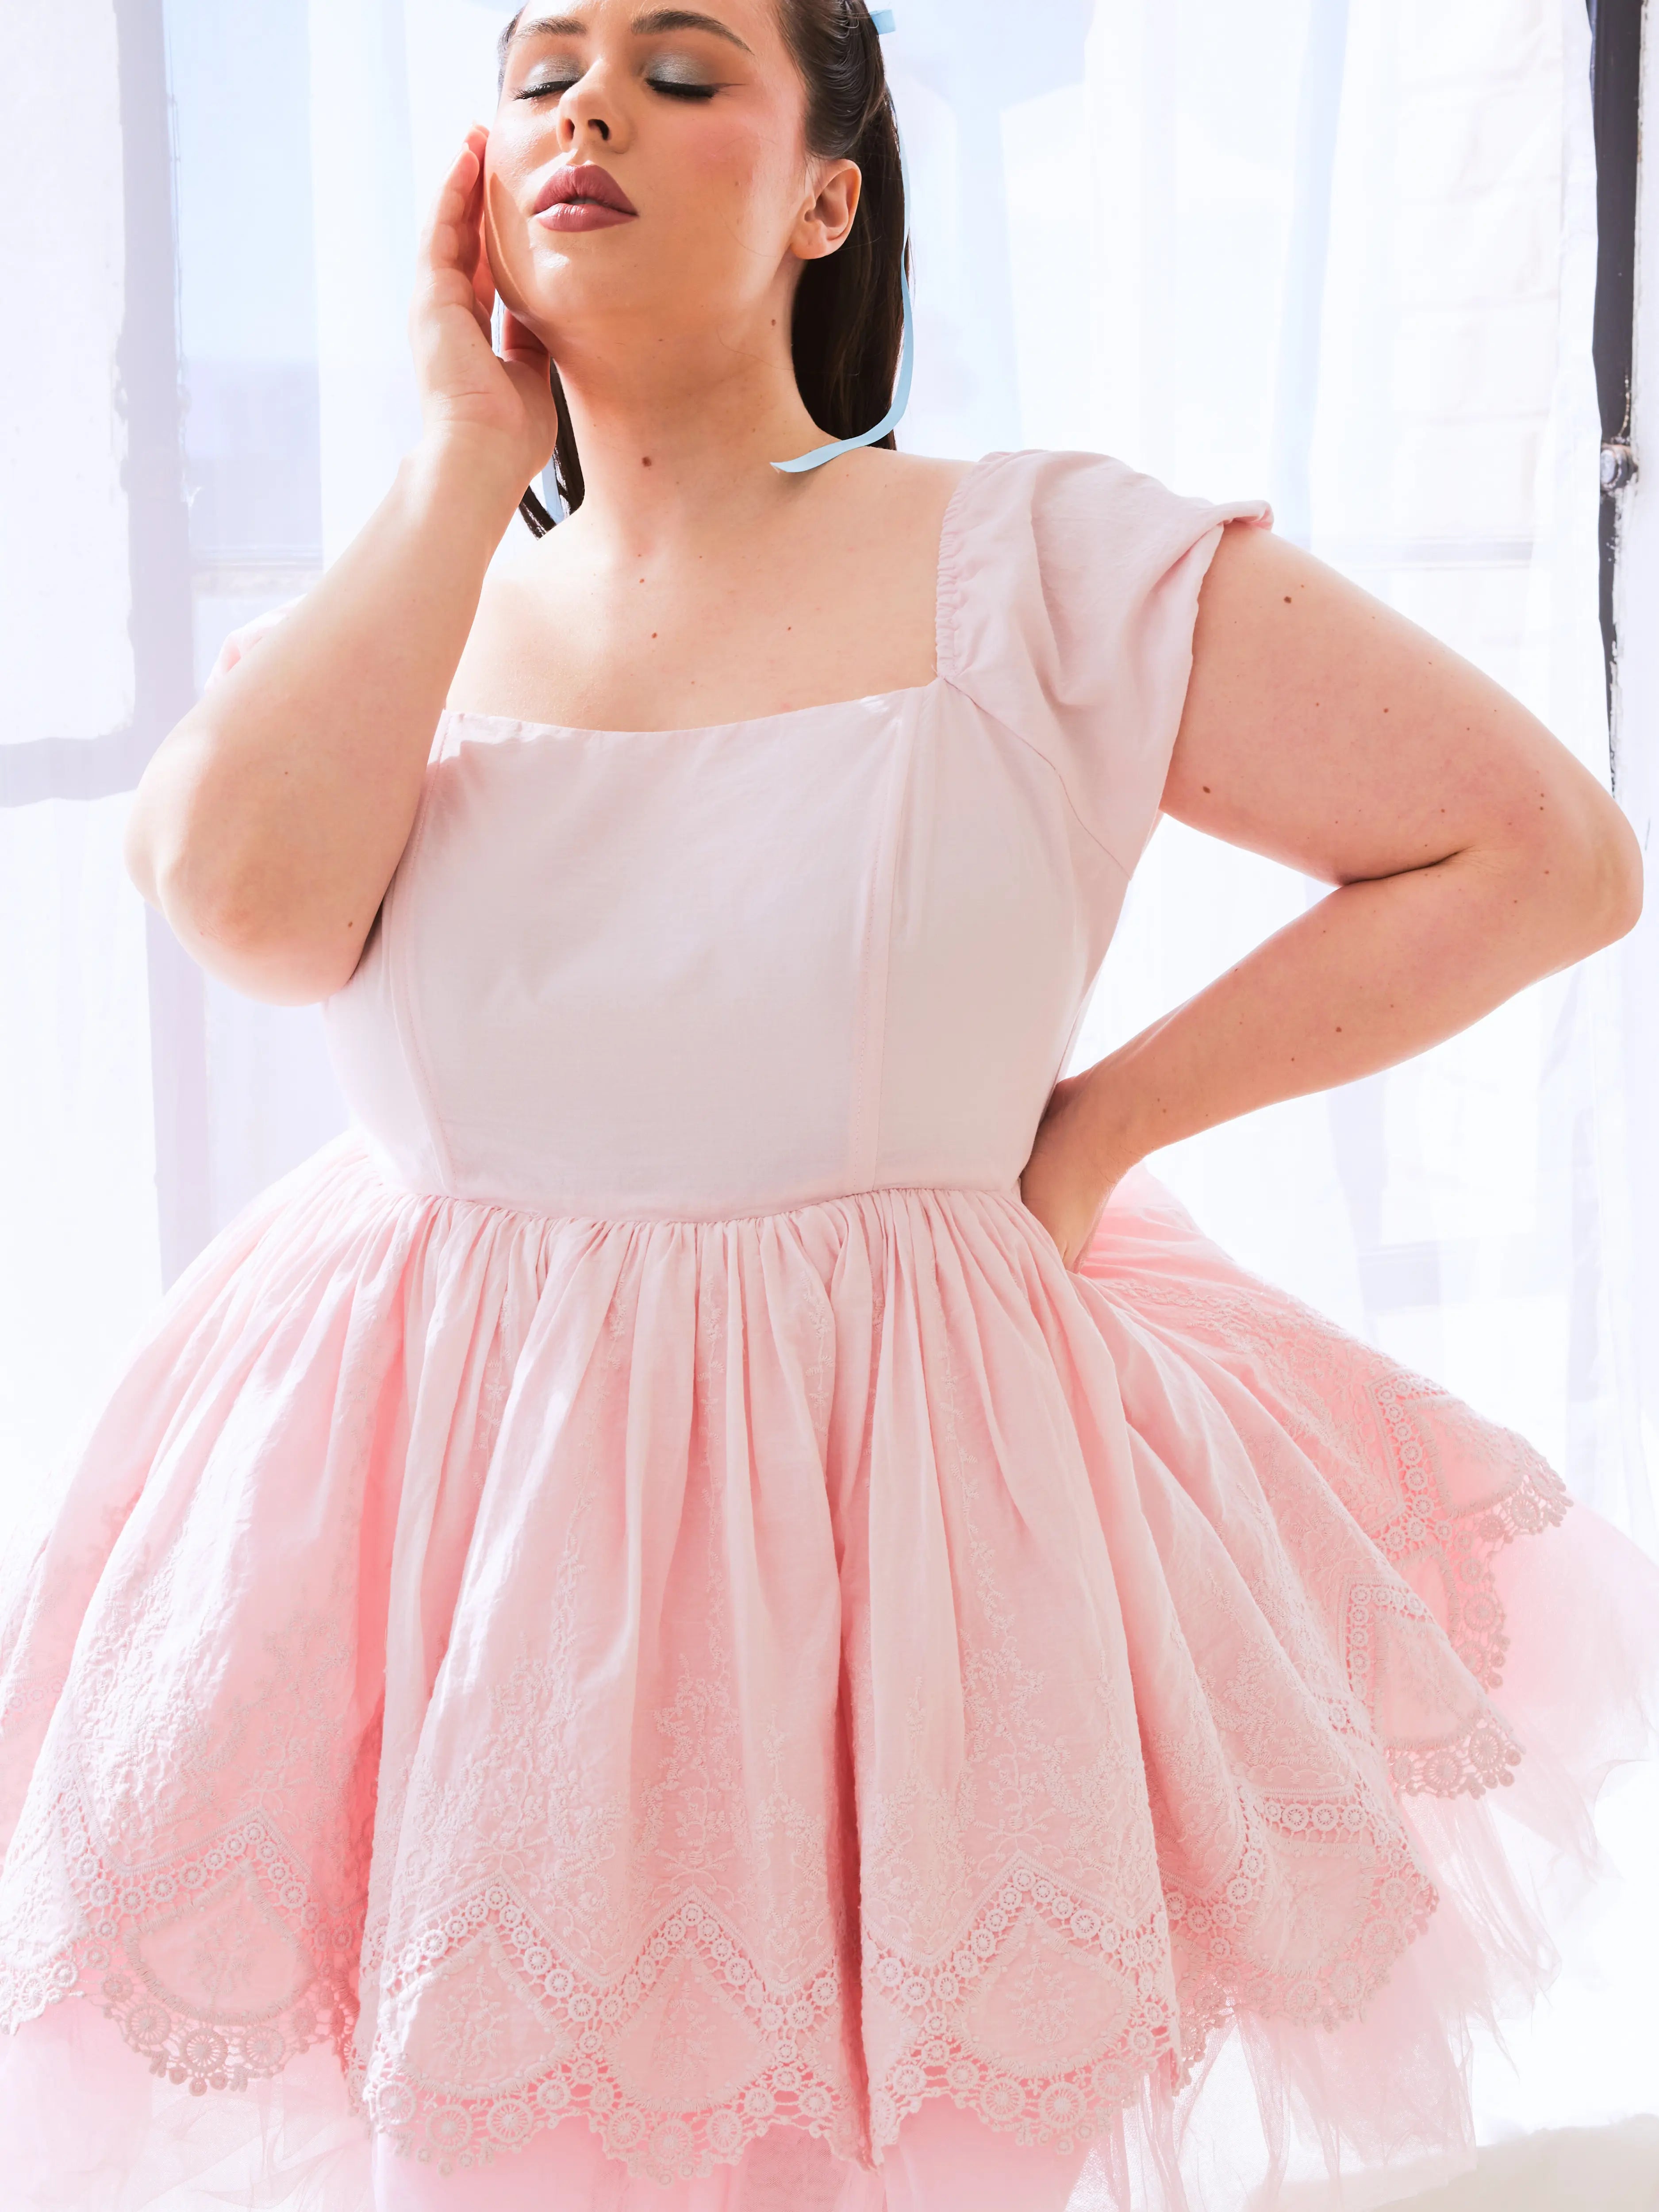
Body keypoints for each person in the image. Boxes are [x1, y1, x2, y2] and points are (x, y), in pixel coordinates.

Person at [2, 1, 1656, 2206]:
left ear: (825, 196)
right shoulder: (410, 616)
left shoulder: (1043, 560)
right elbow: (242, 906)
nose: (586, 105)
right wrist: (450, 458)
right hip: (452, 1538)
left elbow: (1540, 852)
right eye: (541, 71)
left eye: (680, 72)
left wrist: (1087, 1132)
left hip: (909, 1530)